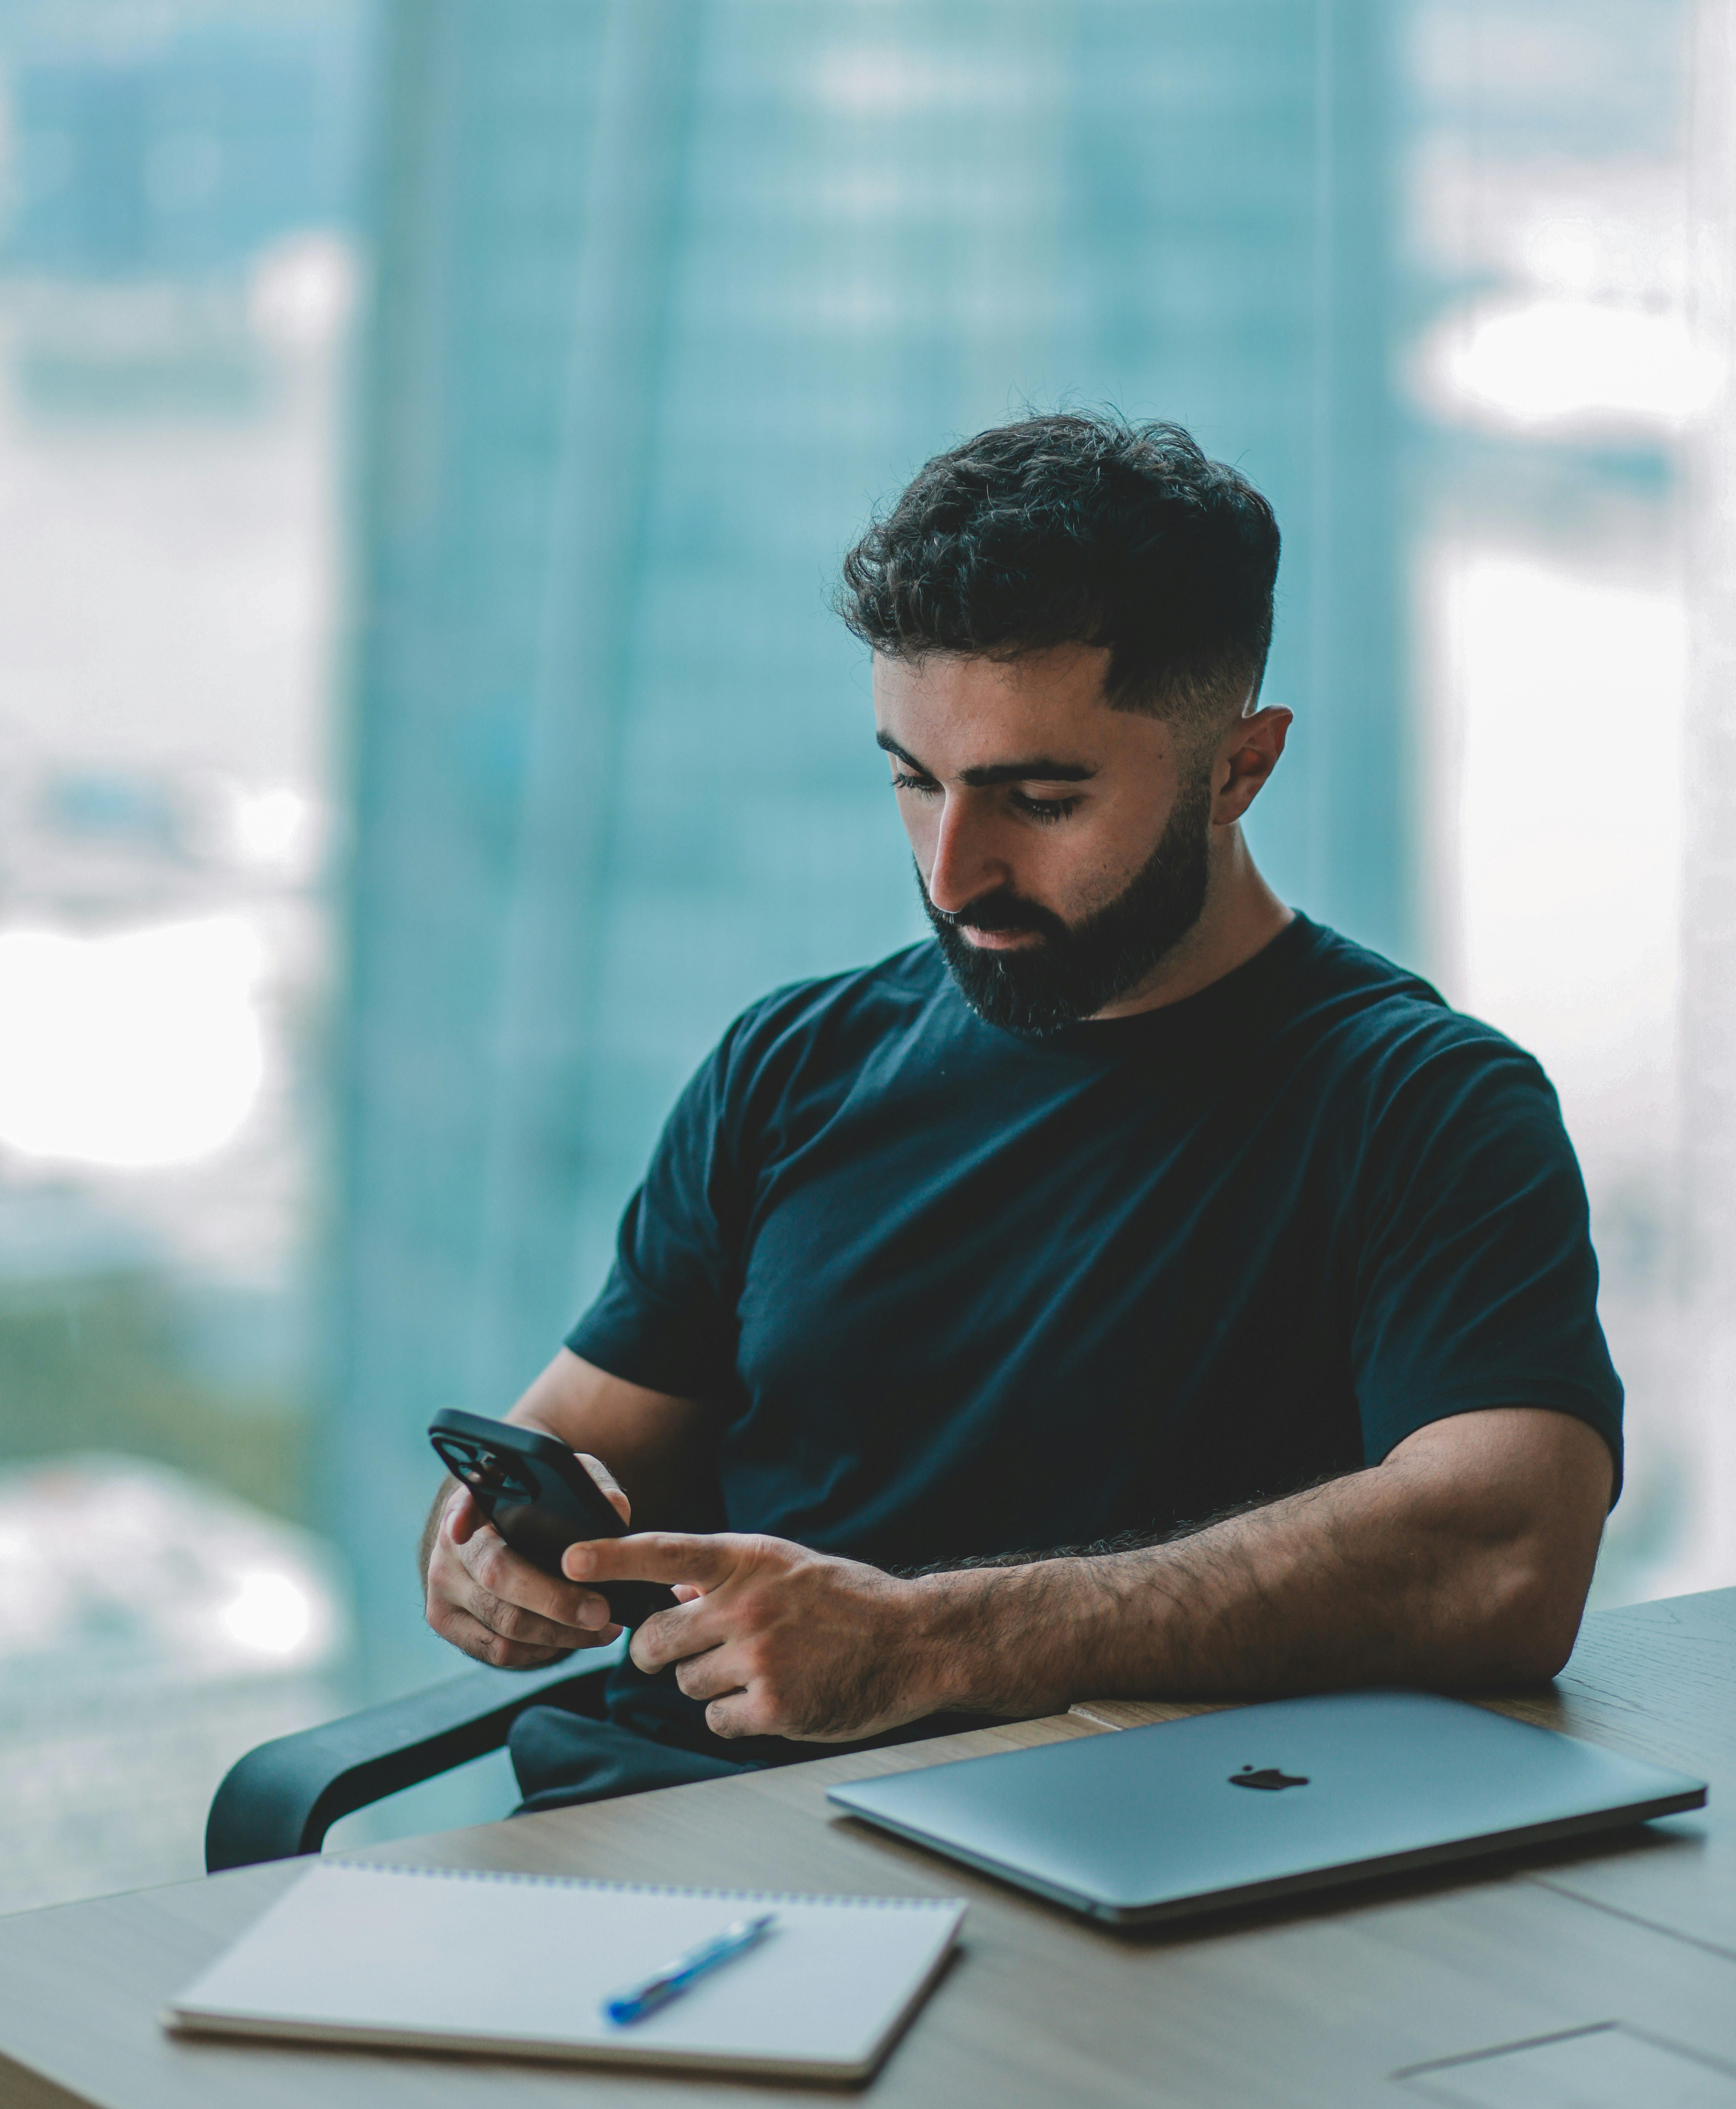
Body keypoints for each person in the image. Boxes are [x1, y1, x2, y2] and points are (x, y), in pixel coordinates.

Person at [419, 414, 1623, 1812]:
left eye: (1038, 799)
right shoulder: (791, 1061)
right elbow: (577, 1445)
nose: (951, 871)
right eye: (911, 780)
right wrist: (491, 1555)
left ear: (1239, 766)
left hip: (1105, 1878)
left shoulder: (1419, 1107)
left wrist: (927, 1646)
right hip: (646, 1834)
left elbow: (1505, 1553)